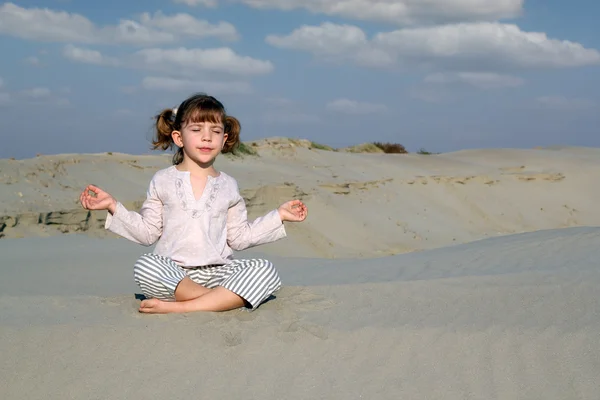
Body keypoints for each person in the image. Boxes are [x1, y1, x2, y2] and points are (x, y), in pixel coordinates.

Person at [79, 93, 308, 314]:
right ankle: (221, 299)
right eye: (197, 130)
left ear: (224, 139)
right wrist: (112, 206)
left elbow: (239, 238)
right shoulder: (162, 180)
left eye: (215, 131)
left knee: (264, 270)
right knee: (146, 266)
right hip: (175, 275)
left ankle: (183, 307)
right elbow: (147, 234)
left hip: (221, 272)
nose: (207, 137)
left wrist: (279, 215)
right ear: (179, 137)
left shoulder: (229, 185)